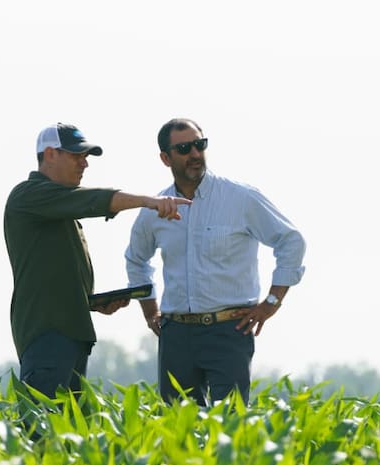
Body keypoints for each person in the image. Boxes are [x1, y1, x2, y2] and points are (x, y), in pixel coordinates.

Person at [124, 118, 307, 405]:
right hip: (176, 334)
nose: (195, 154)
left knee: (230, 421)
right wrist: (150, 311)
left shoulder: (241, 198)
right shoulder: (154, 208)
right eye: (184, 148)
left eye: (200, 145)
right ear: (165, 158)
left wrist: (272, 302)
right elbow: (136, 259)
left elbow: (291, 240)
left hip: (229, 331)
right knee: (177, 424)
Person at [4, 122, 191, 397]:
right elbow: (93, 200)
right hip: (47, 337)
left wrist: (92, 303)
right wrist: (150, 201)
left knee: (68, 422)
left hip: (69, 336)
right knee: (43, 422)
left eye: (85, 157)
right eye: (76, 156)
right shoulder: (28, 195)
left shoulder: (57, 207)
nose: (85, 164)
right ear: (50, 154)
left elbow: (53, 276)